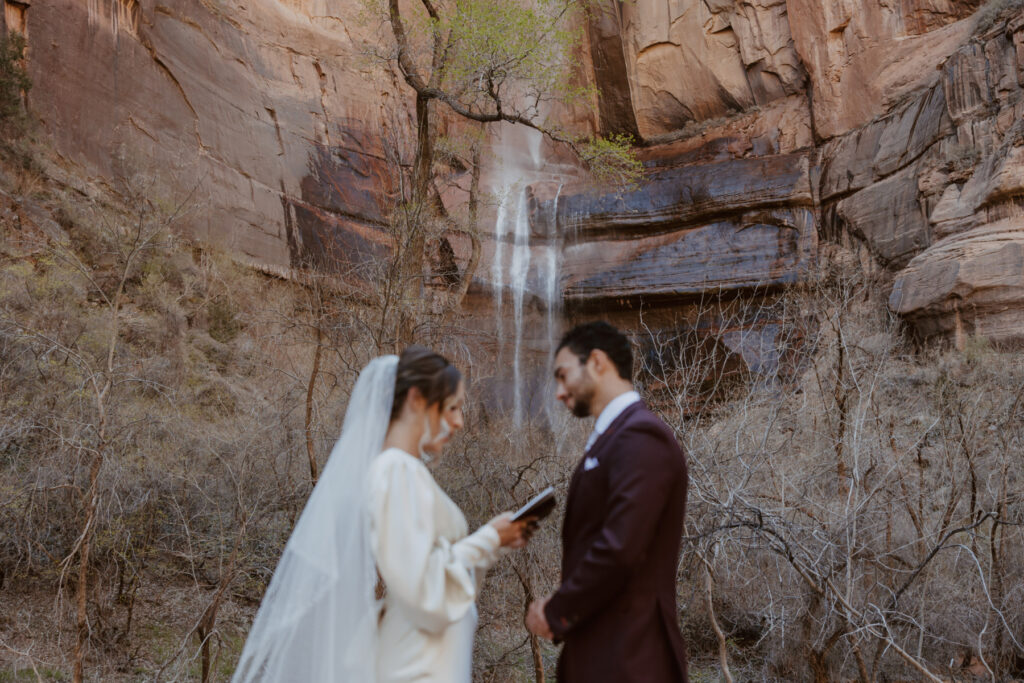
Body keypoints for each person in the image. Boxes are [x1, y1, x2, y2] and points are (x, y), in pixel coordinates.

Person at [233, 347, 533, 682]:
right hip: (416, 666)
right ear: (417, 400)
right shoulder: (396, 470)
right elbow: (419, 587)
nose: (459, 422)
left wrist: (493, 542)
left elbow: (427, 571)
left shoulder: (403, 471)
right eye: (452, 408)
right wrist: (490, 539)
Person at [525, 321, 689, 682]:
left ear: (597, 362)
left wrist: (556, 612)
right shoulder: (615, 437)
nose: (558, 392)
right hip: (606, 654)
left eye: (563, 375)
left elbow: (620, 547)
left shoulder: (642, 435)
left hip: (630, 658)